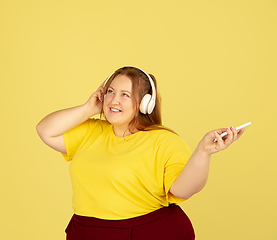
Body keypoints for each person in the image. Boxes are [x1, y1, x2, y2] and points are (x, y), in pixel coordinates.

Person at [36, 66, 245, 240]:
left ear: (145, 104)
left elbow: (183, 190)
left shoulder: (163, 140)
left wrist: (203, 152)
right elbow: (45, 131)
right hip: (86, 232)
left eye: (125, 95)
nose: (114, 100)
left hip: (145, 233)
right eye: (110, 91)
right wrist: (89, 108)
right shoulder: (91, 130)